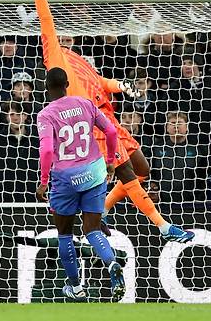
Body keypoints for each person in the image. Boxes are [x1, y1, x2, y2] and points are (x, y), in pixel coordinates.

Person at [9, 0, 195, 243]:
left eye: (69, 37)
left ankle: (104, 209)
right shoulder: (54, 57)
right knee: (128, 174)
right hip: (93, 126)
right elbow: (47, 21)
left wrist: (119, 85)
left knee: (143, 170)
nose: (66, 39)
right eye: (62, 37)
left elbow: (99, 82)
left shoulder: (77, 58)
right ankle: (164, 226)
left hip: (109, 119)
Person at [35, 67, 125, 300]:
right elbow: (111, 132)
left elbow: (46, 151)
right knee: (92, 230)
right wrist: (110, 161)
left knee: (65, 234)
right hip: (94, 173)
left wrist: (44, 181)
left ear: (47, 88)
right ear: (66, 83)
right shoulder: (85, 103)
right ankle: (112, 263)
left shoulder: (46, 115)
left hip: (65, 180)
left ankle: (75, 287)